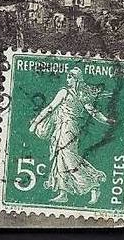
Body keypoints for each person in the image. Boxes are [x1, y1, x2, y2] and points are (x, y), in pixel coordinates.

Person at [29, 67, 115, 205]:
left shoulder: (82, 95)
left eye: (70, 77)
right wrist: (36, 122)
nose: (67, 79)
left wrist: (107, 120)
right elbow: (50, 108)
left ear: (76, 79)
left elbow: (93, 112)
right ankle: (63, 193)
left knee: (70, 160)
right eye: (67, 77)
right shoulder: (63, 92)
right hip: (61, 128)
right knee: (60, 159)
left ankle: (94, 185)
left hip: (71, 129)